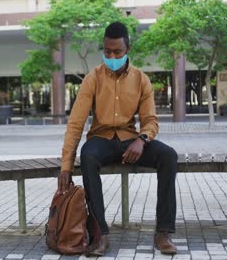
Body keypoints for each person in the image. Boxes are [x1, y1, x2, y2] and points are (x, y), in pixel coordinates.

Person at [58, 21, 178, 256]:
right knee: (88, 156)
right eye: (107, 51)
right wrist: (65, 166)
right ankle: (100, 234)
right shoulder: (92, 79)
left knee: (168, 155)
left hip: (130, 139)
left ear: (128, 50)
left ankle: (163, 232)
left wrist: (142, 139)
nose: (111, 56)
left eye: (117, 52)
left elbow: (151, 121)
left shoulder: (141, 79)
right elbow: (75, 123)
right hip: (100, 139)